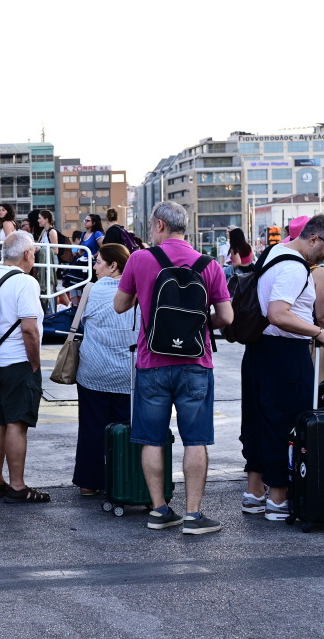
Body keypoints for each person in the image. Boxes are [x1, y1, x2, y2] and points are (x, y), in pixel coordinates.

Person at [113, 201, 233, 534]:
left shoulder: (140, 259)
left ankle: (159, 511)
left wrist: (143, 292)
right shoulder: (209, 265)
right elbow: (227, 317)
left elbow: (120, 305)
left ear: (160, 225)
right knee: (195, 441)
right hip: (196, 363)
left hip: (152, 363)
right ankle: (194, 517)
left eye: (152, 226)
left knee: (152, 439)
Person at [240, 215, 324, 521]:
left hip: (259, 349)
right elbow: (278, 314)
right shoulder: (294, 267)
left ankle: (254, 493)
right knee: (283, 422)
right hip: (286, 353)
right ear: (314, 239)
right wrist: (317, 332)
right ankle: (277, 498)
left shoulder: (275, 253)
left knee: (257, 420)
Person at [0, 232, 49, 503]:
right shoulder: (25, 283)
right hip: (15, 363)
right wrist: (35, 362)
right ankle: (17, 486)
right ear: (27, 254)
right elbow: (29, 329)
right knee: (17, 423)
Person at [72, 244, 135, 495]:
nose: (94, 266)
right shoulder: (138, 292)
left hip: (93, 372)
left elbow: (81, 322)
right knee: (127, 430)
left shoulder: (93, 290)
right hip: (127, 374)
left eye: (98, 262)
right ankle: (125, 479)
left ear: (113, 266)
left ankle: (89, 483)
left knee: (91, 427)